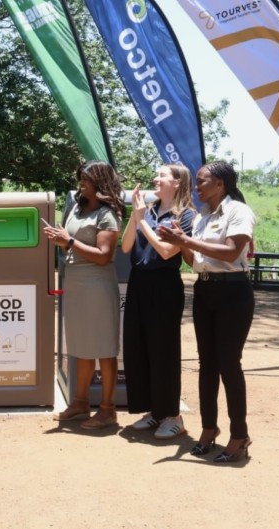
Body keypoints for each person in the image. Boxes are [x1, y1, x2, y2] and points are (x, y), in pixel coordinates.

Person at [157, 160, 256, 463]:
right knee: (207, 365)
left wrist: (185, 239)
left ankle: (239, 435)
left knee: (229, 363)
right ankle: (209, 429)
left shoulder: (239, 211)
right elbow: (194, 261)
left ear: (220, 184)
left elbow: (231, 251)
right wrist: (180, 240)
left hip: (233, 292)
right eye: (197, 181)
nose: (197, 186)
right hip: (205, 289)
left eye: (202, 181)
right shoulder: (202, 216)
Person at [44, 160, 123, 430]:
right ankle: (79, 403)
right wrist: (60, 237)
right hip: (76, 284)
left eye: (87, 178)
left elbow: (104, 257)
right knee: (81, 345)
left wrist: (68, 241)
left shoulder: (108, 214)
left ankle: (108, 409)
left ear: (100, 181)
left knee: (103, 347)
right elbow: (70, 243)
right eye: (81, 177)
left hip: (97, 286)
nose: (81, 182)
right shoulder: (77, 207)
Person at [121, 163, 195, 439]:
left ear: (177, 183)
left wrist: (141, 221)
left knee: (163, 351)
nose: (156, 178)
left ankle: (173, 416)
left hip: (164, 286)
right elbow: (126, 246)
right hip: (139, 282)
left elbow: (166, 252)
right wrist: (135, 215)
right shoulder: (148, 211)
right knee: (138, 347)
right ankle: (154, 411)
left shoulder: (187, 216)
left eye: (162, 175)